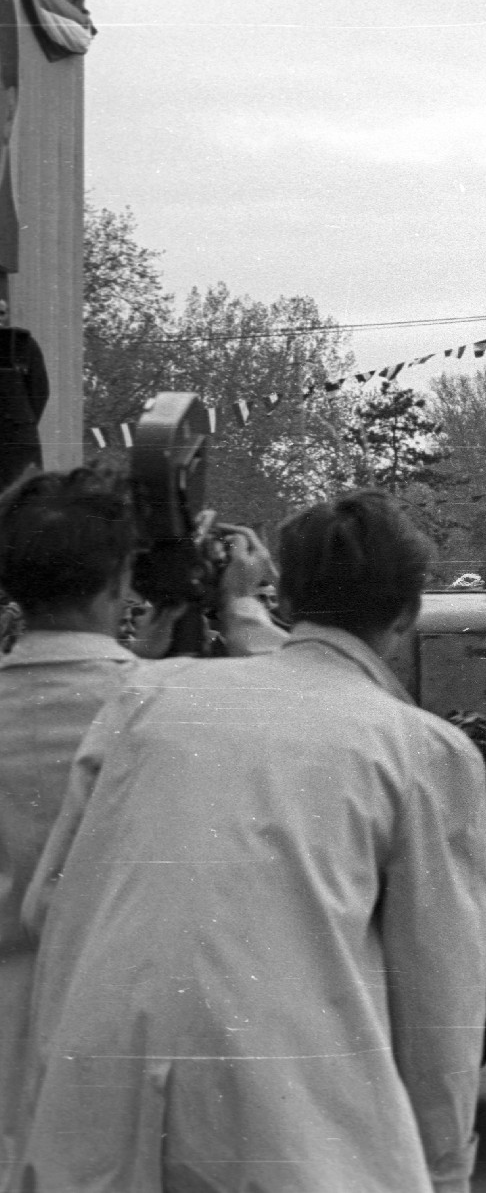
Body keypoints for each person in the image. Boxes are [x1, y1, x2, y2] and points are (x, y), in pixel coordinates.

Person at [15, 491, 486, 1193]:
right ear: (408, 615)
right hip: (284, 1131)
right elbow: (440, 1007)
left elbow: (47, 908)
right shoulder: (424, 752)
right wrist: (444, 1169)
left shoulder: (149, 698)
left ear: (288, 596)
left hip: (94, 1115)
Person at [0, 471, 284, 1170]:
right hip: (121, 1049)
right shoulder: (172, 707)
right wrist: (242, 607)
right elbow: (317, 712)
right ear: (120, 580)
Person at [0, 298, 45, 489]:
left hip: (17, 437)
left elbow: (39, 390)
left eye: (2, 313)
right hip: (19, 431)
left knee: (23, 495)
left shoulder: (23, 345)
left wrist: (23, 421)